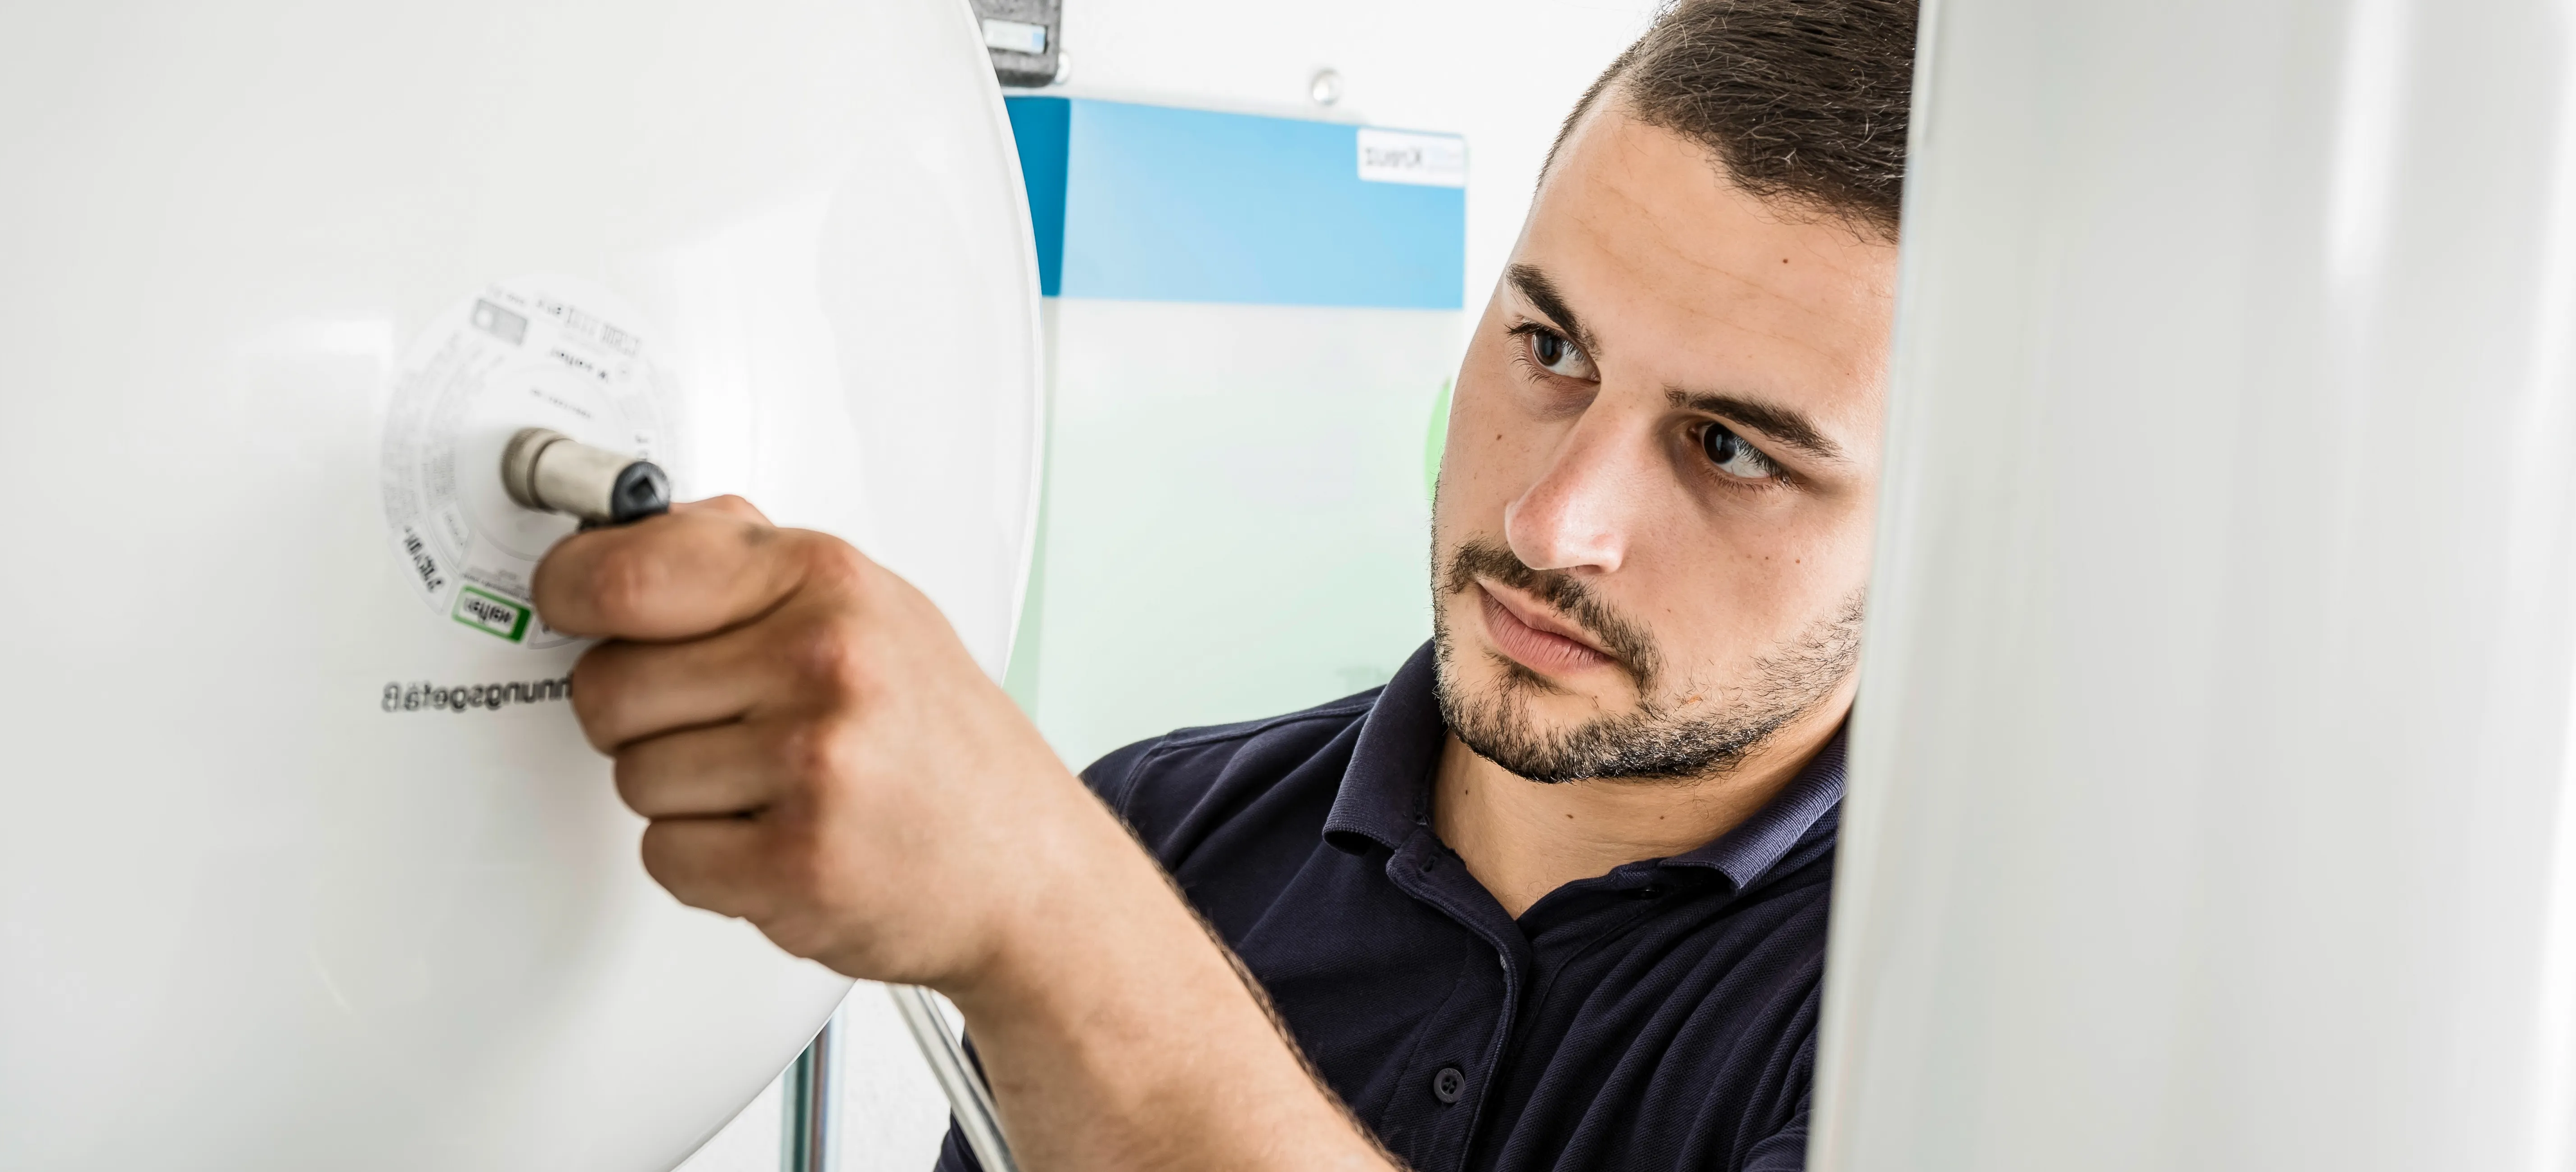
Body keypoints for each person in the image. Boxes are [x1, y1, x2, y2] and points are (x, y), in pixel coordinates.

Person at [529, 0, 1914, 1167]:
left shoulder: (1940, 1036)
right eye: (1551, 349)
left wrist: (1056, 925)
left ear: (1946, 527)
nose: (1551, 524)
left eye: (1730, 449)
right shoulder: (1165, 828)